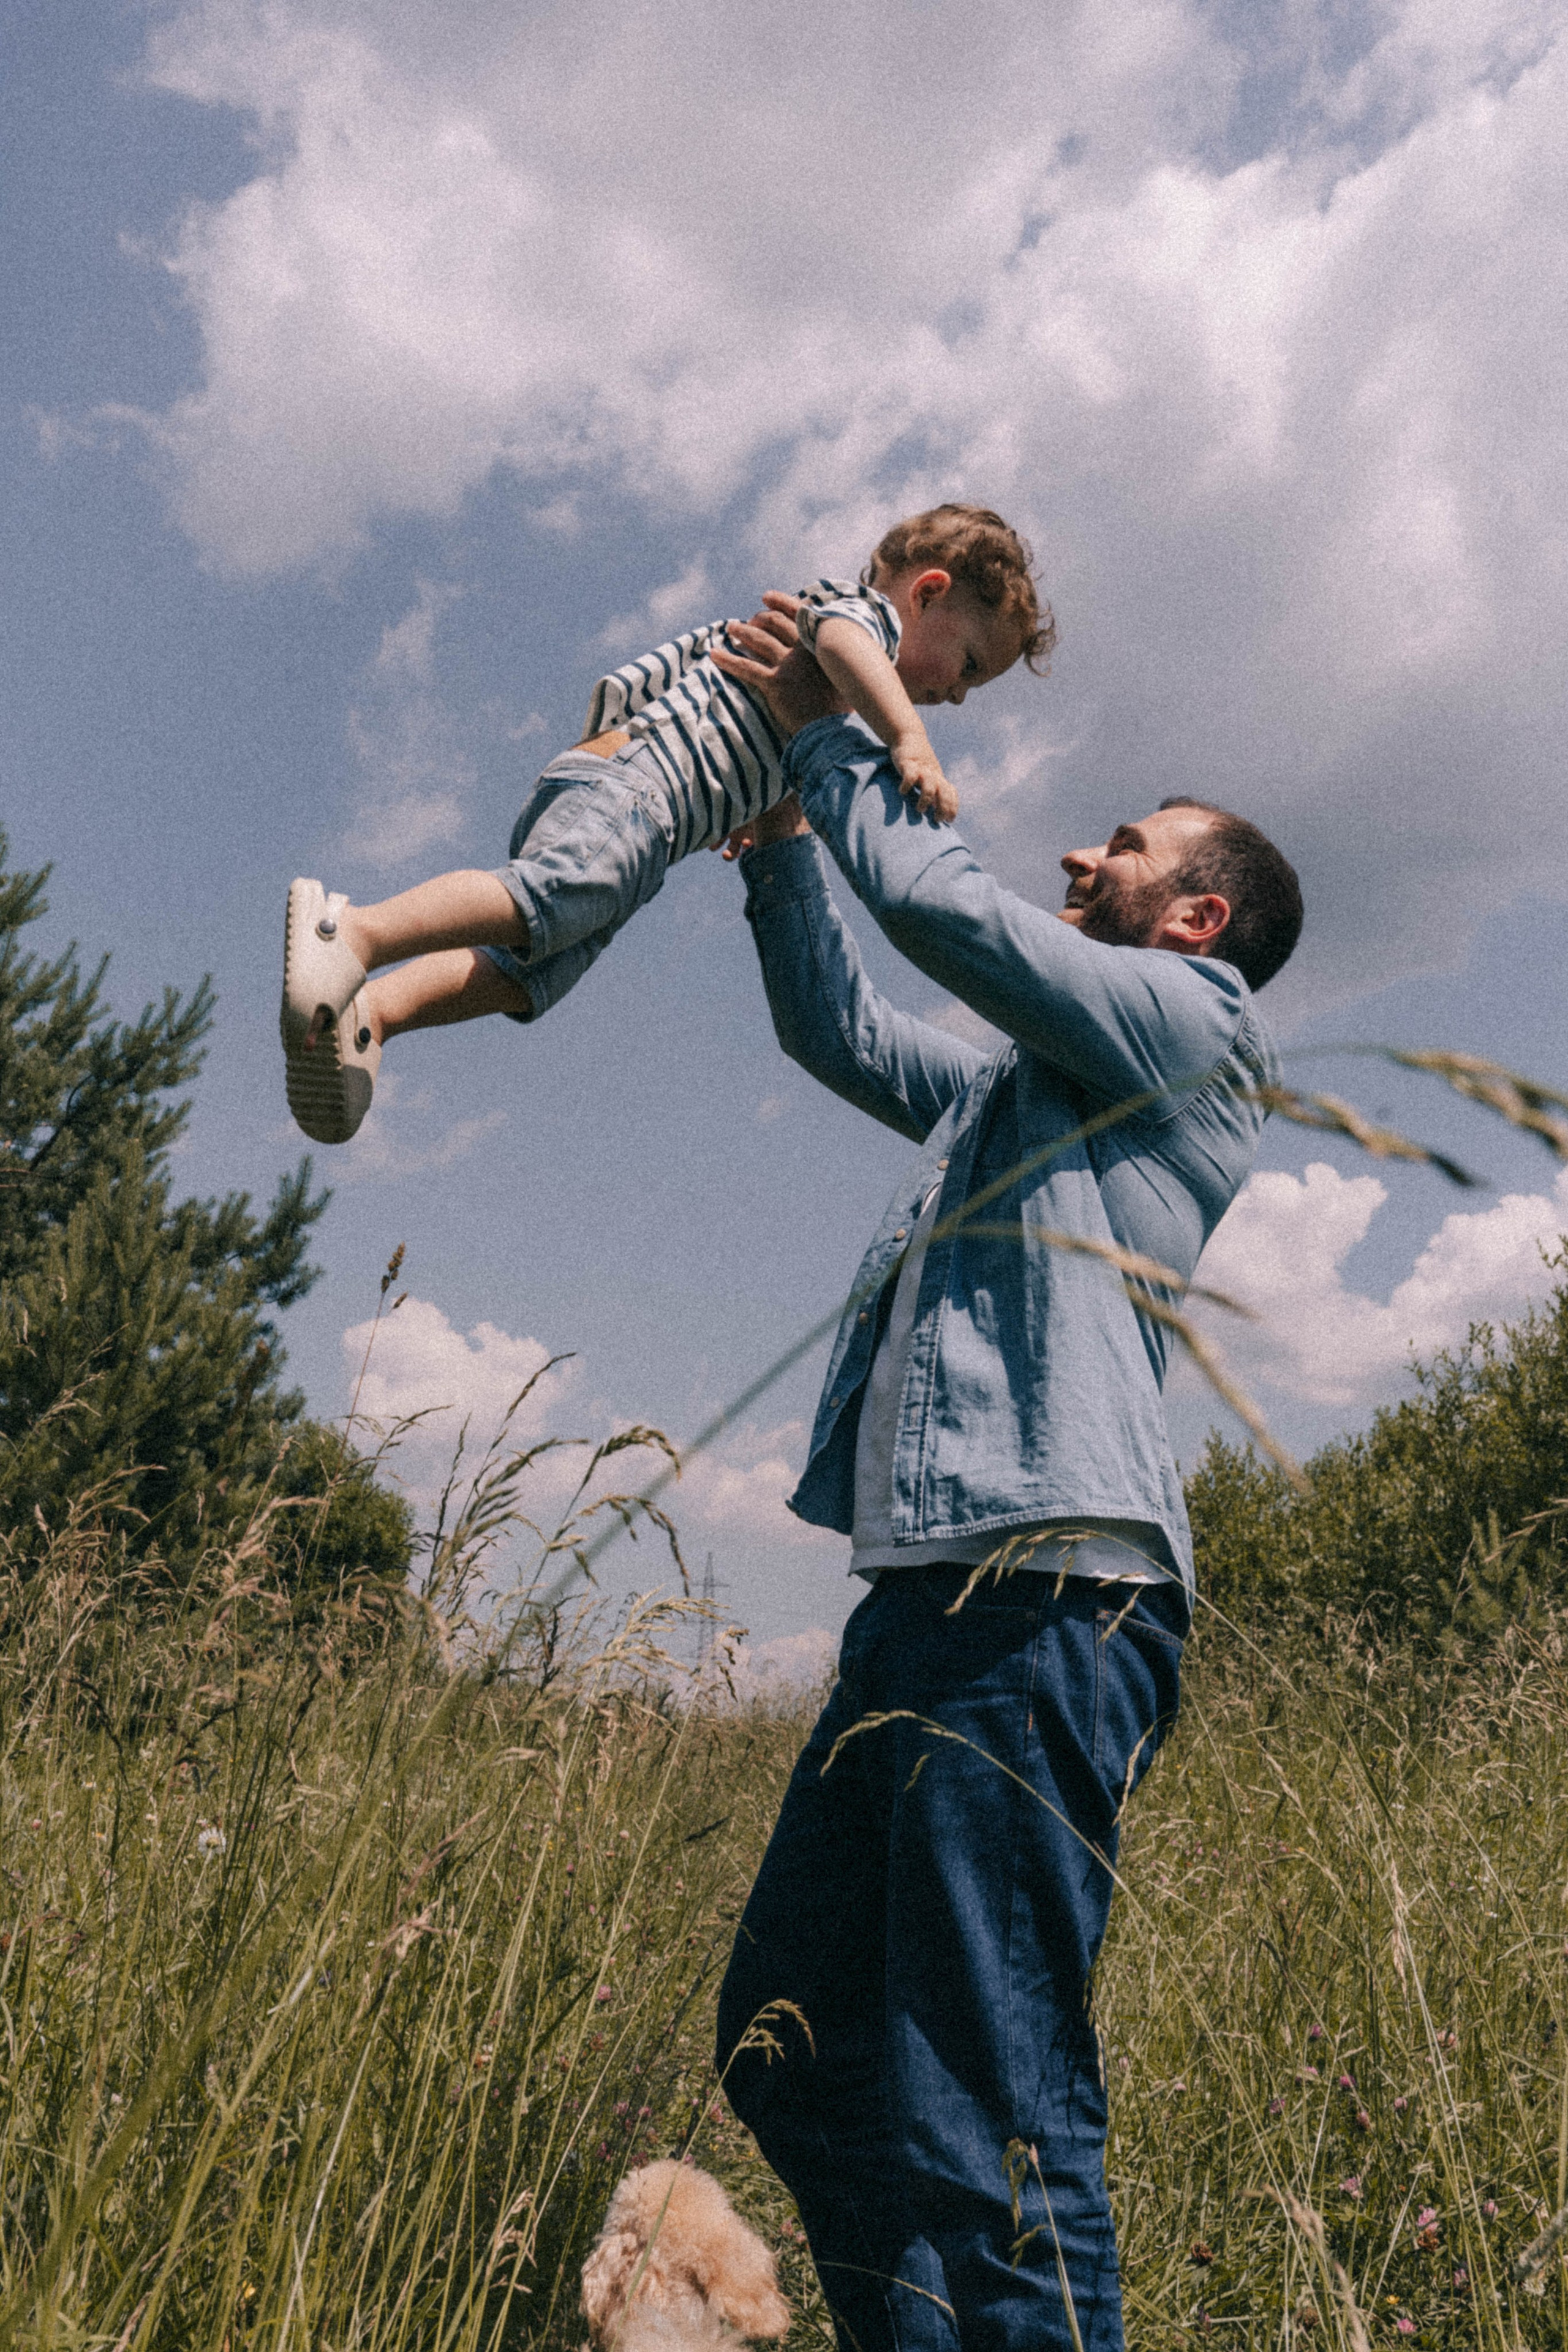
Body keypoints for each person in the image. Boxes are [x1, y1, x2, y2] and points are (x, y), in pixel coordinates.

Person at [709, 614, 1302, 2352]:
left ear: (1196, 919)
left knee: (992, 2104)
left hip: (1046, 1603)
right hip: (933, 1604)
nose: (1081, 851)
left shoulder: (1194, 1029)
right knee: (796, 2044)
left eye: (1124, 845)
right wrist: (777, 847)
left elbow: (950, 915)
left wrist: (833, 734)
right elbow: (850, 1031)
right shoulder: (1022, 1092)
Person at [278, 505, 1053, 1144]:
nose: (958, 696)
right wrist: (909, 742)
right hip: (635, 785)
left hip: (646, 815)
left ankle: (373, 1018)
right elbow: (846, 646)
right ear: (927, 593)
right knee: (556, 893)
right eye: (971, 665)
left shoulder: (834, 681)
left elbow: (765, 733)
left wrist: (755, 810)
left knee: (532, 971)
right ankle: (351, 934)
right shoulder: (861, 618)